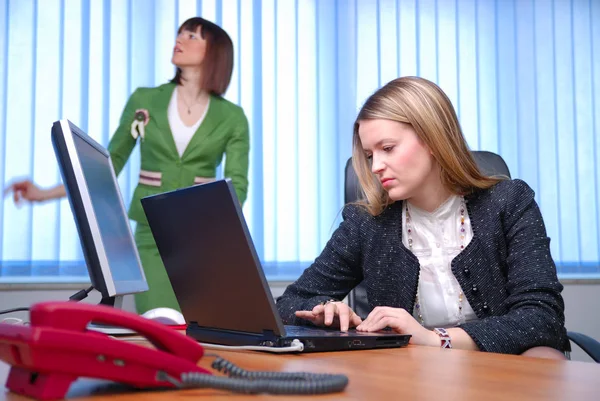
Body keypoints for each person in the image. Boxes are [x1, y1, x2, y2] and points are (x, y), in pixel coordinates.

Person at [276, 76, 569, 359]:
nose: (376, 166)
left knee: (544, 360)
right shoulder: (366, 223)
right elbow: (287, 304)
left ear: (432, 137)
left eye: (388, 148)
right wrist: (323, 309)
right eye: (369, 155)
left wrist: (435, 339)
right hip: (407, 376)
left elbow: (541, 317)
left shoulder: (509, 202)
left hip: (500, 366)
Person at [5, 17, 250, 314]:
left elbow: (237, 184)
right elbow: (107, 164)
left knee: (199, 332)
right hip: (151, 234)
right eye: (179, 33)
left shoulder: (232, 117)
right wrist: (42, 193)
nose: (180, 39)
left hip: (201, 240)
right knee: (161, 322)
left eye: (192, 35)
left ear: (216, 52)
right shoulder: (145, 99)